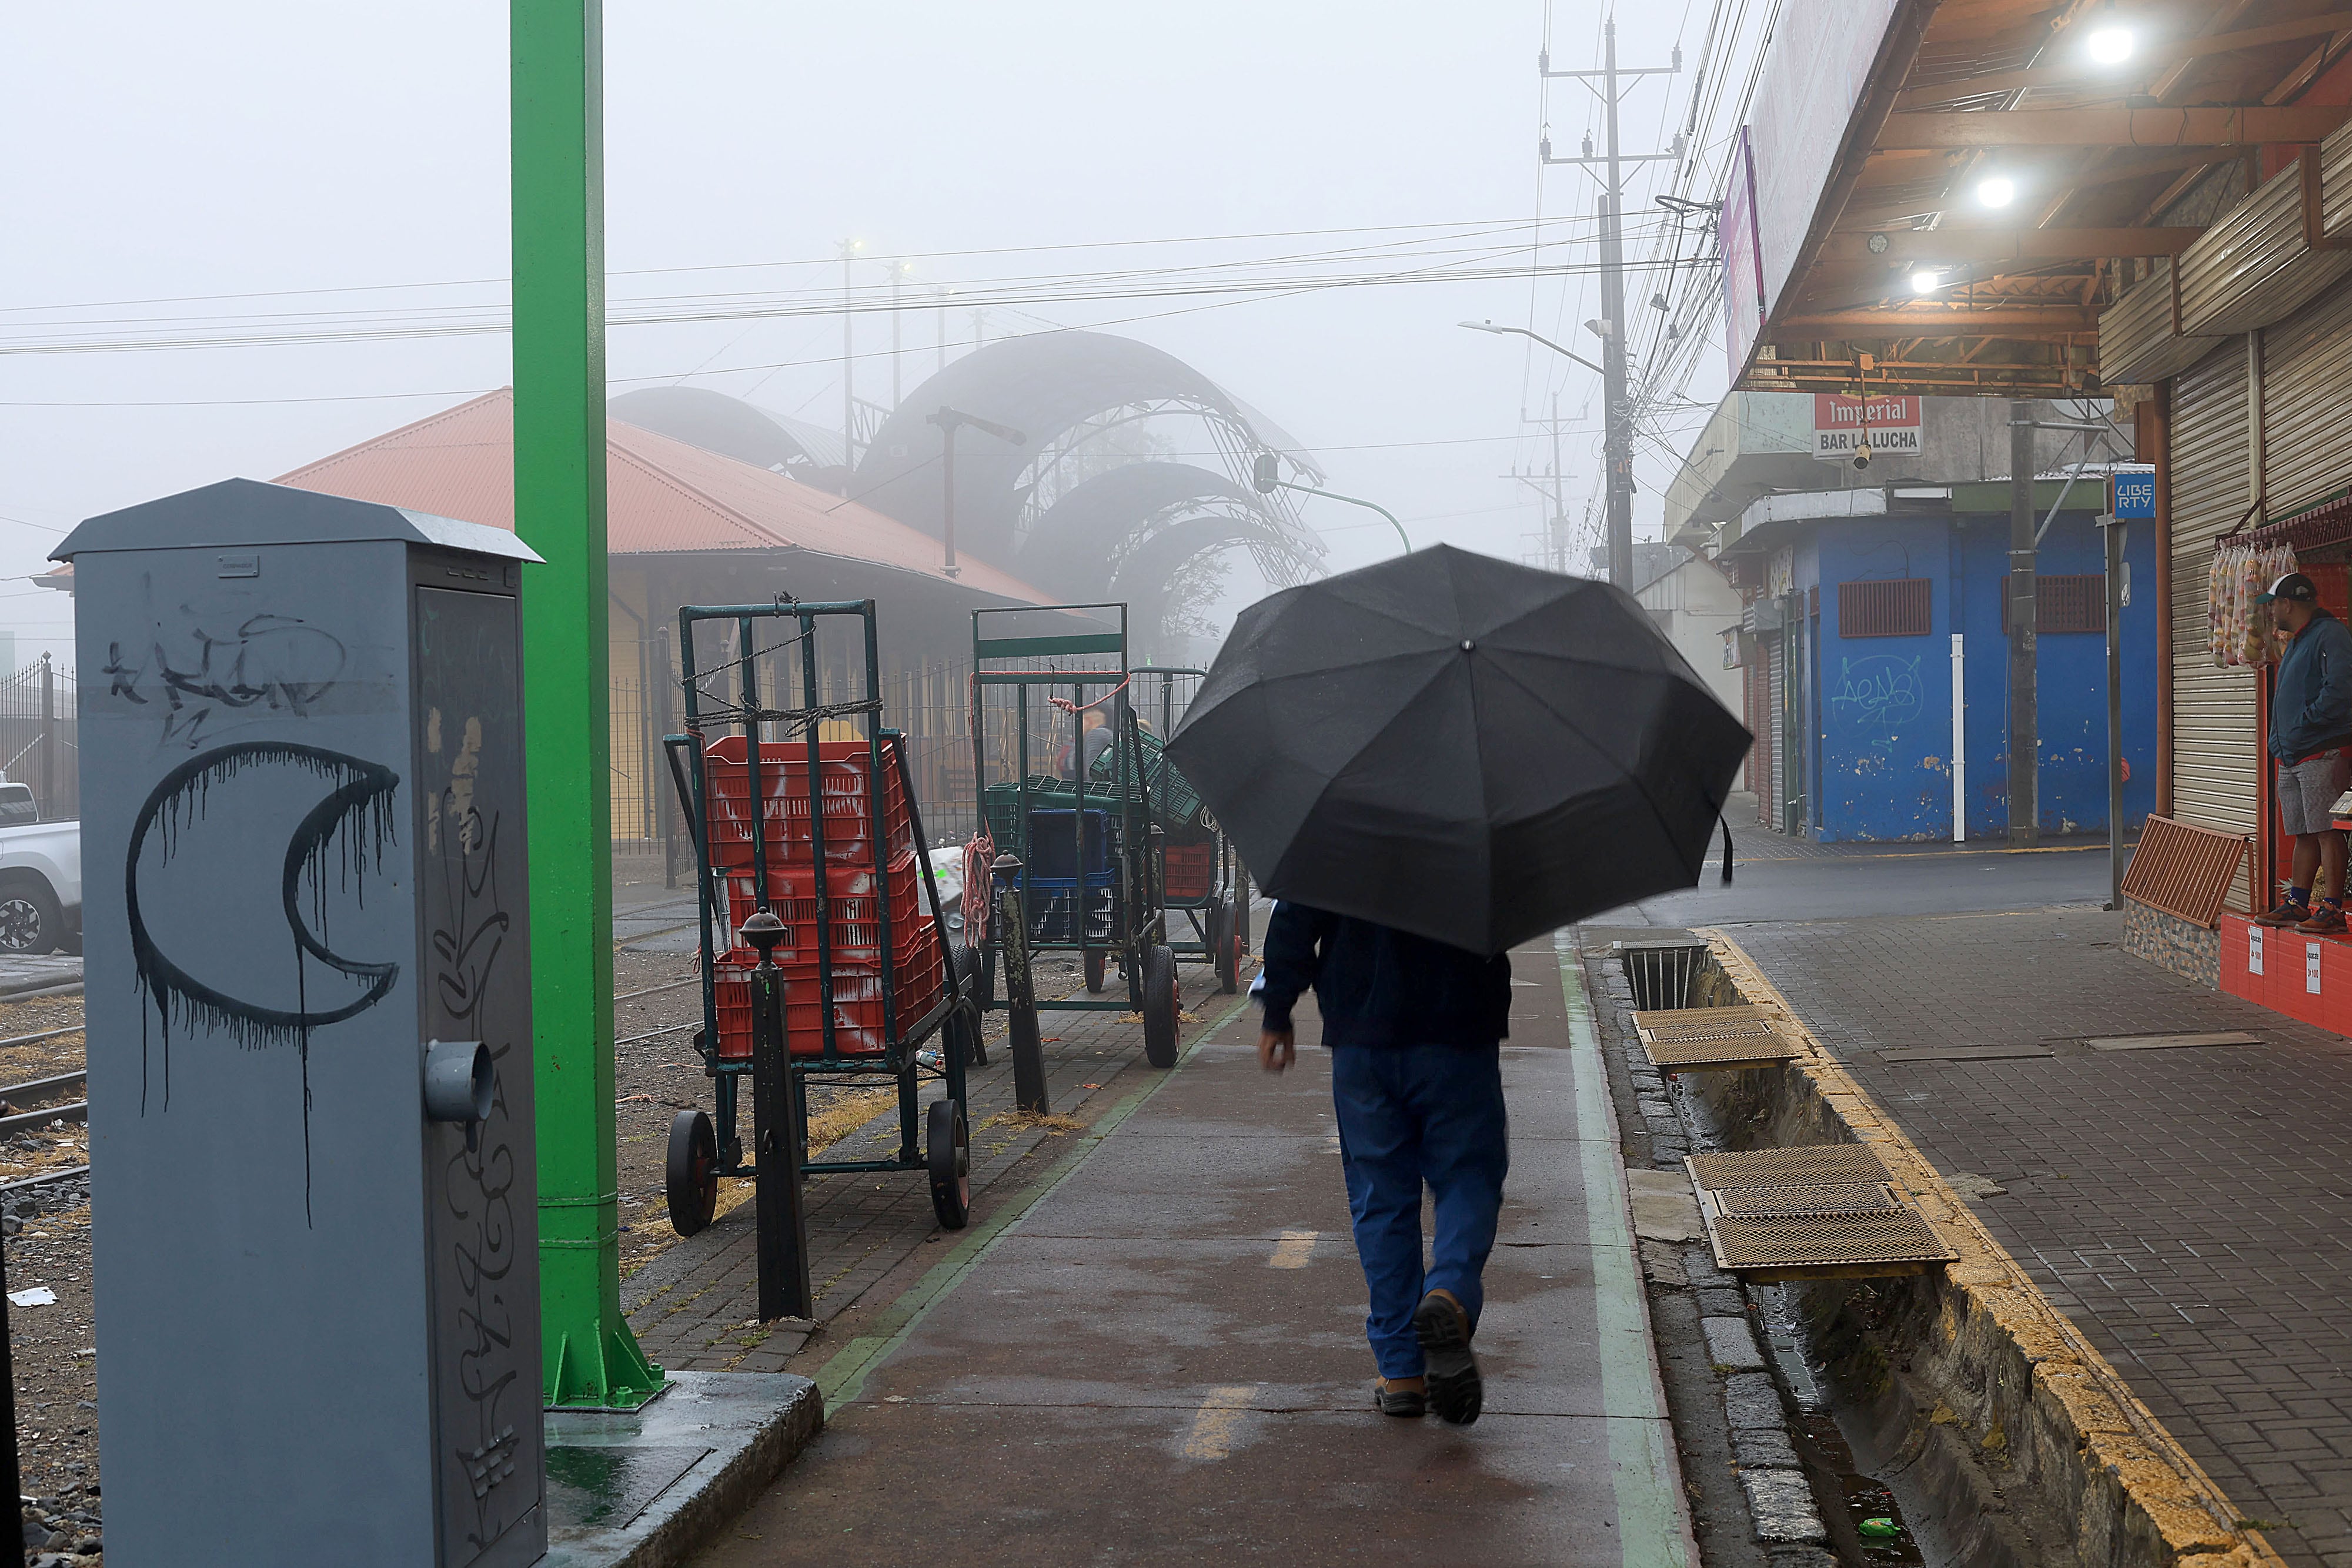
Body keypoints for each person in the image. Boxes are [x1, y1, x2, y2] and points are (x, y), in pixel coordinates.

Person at [1255, 901, 1512, 1426]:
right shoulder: (1481, 821)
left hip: (1364, 1032)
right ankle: (1450, 1293)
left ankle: (1401, 1373)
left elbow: (1296, 916)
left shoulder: (1336, 823)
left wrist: (1278, 1010)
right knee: (1468, 1176)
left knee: (1381, 1197)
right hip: (1459, 1028)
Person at [2257, 571, 2352, 934]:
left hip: (2320, 752)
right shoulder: (2298, 641)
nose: (2272, 613)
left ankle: (2332, 909)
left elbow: (2341, 688)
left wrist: (2306, 724)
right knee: (2303, 831)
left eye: (2274, 605)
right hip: (2291, 754)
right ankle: (2298, 903)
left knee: (2327, 829)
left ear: (2287, 604)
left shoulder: (2331, 634)